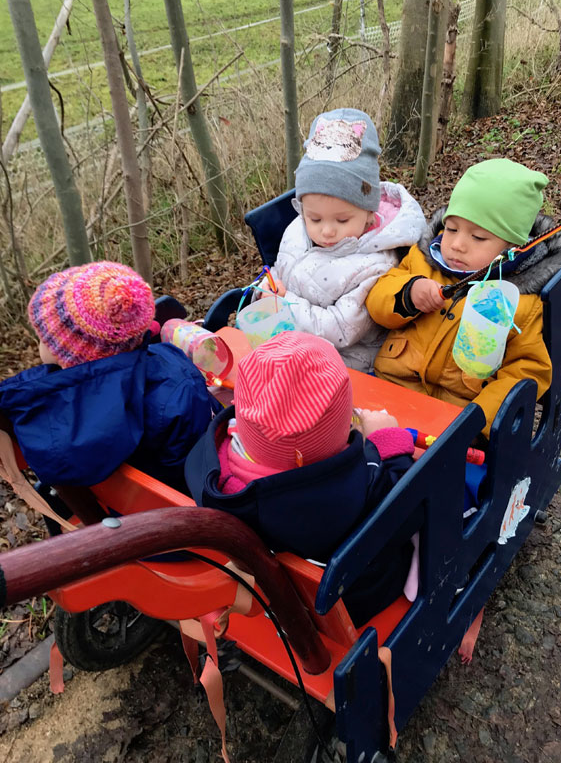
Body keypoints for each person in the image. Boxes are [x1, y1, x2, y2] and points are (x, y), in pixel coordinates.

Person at [185, 330, 416, 626]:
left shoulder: (208, 468)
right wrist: (386, 439)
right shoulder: (353, 490)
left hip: (271, 596)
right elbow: (406, 501)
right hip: (343, 606)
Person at [366, 158, 561, 438]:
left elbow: (526, 371)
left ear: (514, 247)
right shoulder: (425, 261)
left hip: (455, 419)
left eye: (478, 237)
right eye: (451, 228)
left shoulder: (522, 302)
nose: (457, 244)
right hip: (390, 391)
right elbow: (378, 299)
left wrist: (477, 423)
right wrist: (408, 292)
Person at [0, 261, 213, 493]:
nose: (38, 343)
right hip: (167, 509)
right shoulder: (176, 384)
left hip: (116, 515)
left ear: (67, 353)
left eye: (42, 337)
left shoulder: (37, 407)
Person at [260, 107, 426, 372]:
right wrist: (266, 286)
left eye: (341, 221)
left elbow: (340, 329)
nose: (326, 231)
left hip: (346, 365)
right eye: (315, 219)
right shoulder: (298, 227)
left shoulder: (377, 264)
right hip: (292, 341)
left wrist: (283, 303)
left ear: (369, 214)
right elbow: (282, 267)